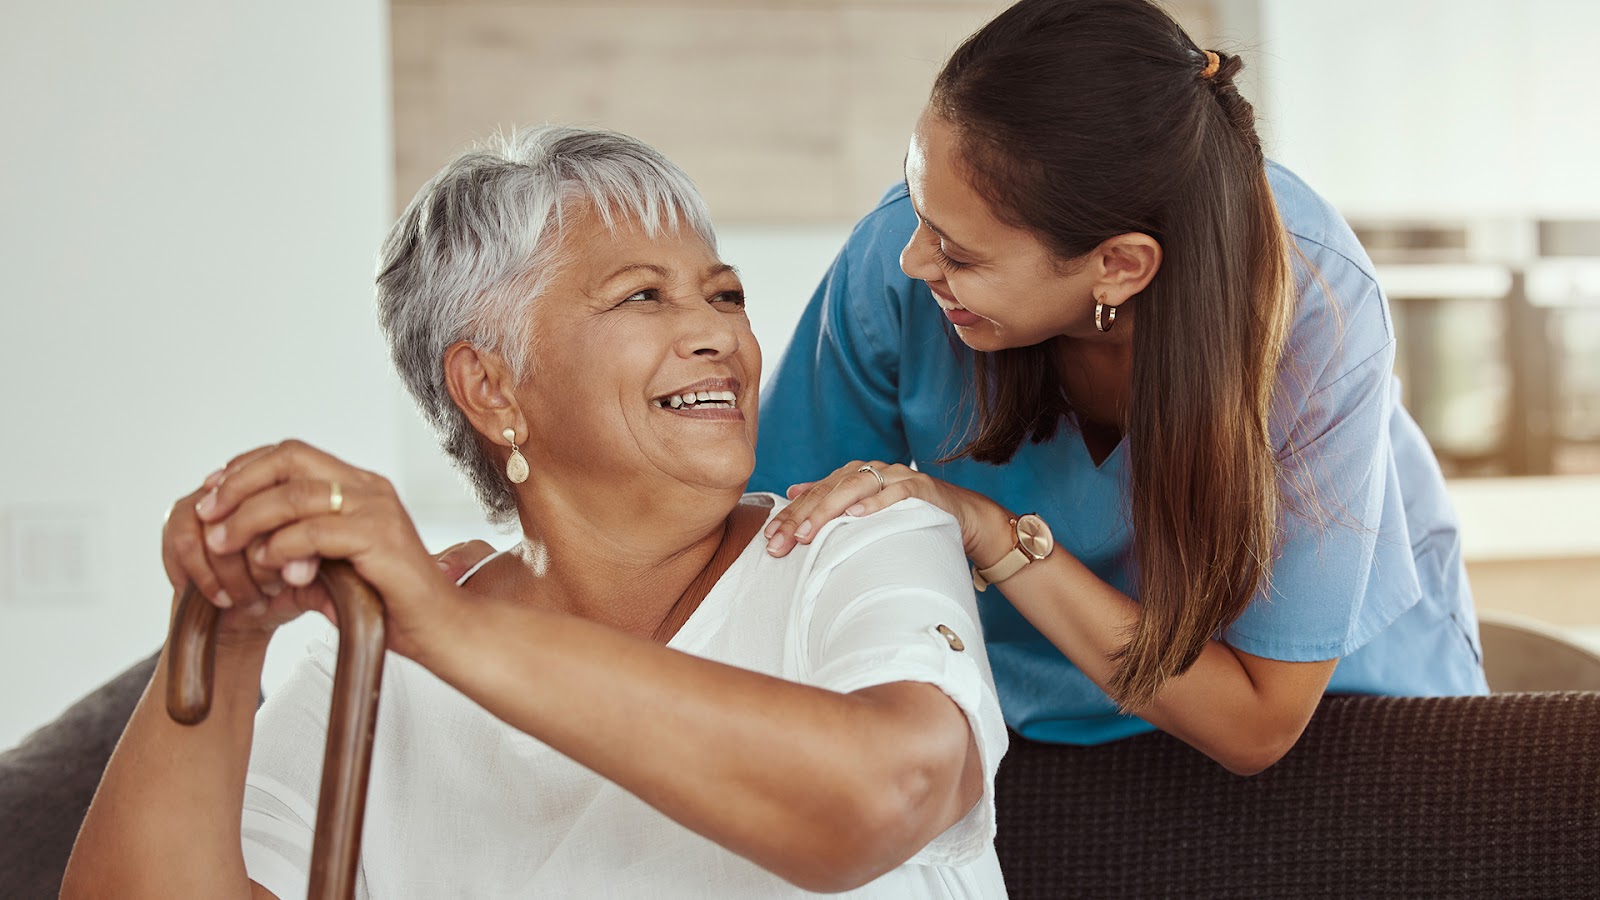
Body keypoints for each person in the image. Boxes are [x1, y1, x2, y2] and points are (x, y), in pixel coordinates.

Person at [61, 126, 1009, 899]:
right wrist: (223, 639)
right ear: (492, 386)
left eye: (725, 294)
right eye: (645, 296)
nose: (720, 332)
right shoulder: (375, 659)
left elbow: (886, 796)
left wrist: (448, 631)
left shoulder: (860, 538)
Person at [752, 0, 1488, 776]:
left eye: (959, 253)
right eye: (918, 204)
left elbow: (1256, 724)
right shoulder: (899, 266)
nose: (911, 259)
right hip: (1016, 718)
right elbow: (775, 557)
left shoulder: (1317, 302)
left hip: (1329, 714)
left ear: (1120, 265)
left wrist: (991, 533)